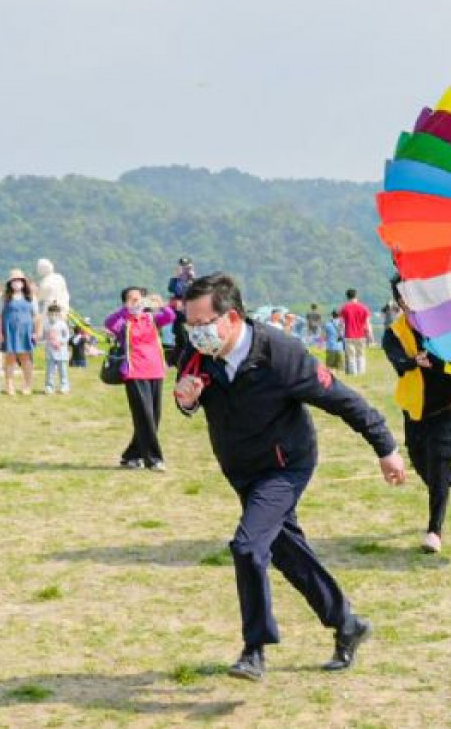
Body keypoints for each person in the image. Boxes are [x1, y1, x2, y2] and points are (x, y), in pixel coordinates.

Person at [173, 273, 407, 681]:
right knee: (285, 549)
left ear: (231, 317)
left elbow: (341, 398)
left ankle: (254, 649)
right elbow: (190, 398)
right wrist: (187, 402)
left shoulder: (280, 354)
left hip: (284, 465)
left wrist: (385, 447)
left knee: (248, 546)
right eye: (189, 324)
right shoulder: (196, 355)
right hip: (240, 468)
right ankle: (347, 624)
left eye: (202, 323)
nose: (195, 333)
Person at [383, 276, 451, 554]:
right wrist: (414, 361)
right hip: (414, 412)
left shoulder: (444, 326)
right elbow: (396, 359)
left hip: (444, 410)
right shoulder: (395, 332)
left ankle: (434, 531)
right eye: (405, 295)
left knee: (438, 467)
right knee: (425, 468)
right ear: (399, 300)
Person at [105, 288, 175, 471]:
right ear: (126, 302)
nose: (137, 302)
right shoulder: (124, 322)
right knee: (145, 416)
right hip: (135, 372)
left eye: (139, 298)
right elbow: (109, 323)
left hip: (155, 369)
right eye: (132, 299)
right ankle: (154, 459)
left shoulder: (150, 318)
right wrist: (125, 310)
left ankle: (131, 455)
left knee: (154, 416)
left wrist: (160, 305)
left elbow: (170, 317)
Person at [0, 268, 41, 395]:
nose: (17, 283)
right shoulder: (4, 297)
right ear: (10, 283)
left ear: (23, 282)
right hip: (9, 330)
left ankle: (27, 385)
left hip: (26, 331)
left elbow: (36, 316)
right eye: (14, 280)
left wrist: (36, 332)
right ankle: (9, 385)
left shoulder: (30, 297)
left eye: (19, 280)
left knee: (25, 358)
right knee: (10, 358)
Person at [339, 289, 373, 376]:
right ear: (356, 296)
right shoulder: (364, 308)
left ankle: (353, 373)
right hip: (361, 335)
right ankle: (361, 373)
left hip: (348, 335)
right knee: (361, 355)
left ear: (347, 296)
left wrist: (340, 334)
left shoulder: (344, 308)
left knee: (351, 356)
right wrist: (370, 335)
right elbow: (368, 323)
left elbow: (341, 323)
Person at [43, 303, 71, 395]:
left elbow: (67, 336)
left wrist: (61, 342)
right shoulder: (46, 324)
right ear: (48, 314)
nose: (53, 316)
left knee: (62, 370)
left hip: (61, 351)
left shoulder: (62, 324)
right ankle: (49, 386)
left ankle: (64, 385)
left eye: (55, 314)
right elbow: (44, 336)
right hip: (50, 351)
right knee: (49, 371)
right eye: (51, 314)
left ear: (59, 314)